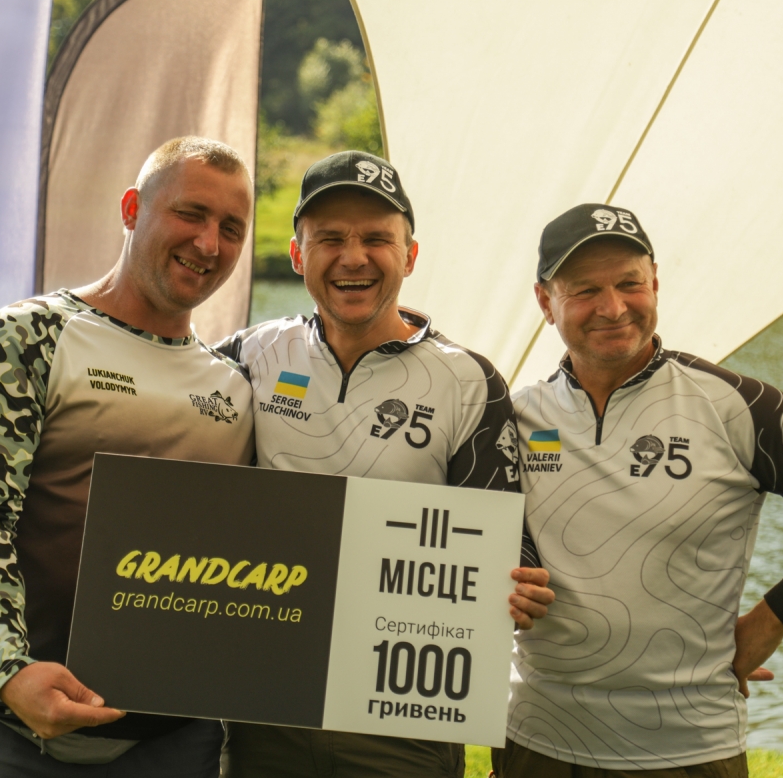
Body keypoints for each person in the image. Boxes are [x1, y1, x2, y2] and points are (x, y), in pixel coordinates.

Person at [496, 204, 783, 777]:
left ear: (655, 283)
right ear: (545, 302)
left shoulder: (735, 406)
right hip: (537, 739)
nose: (613, 307)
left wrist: (768, 624)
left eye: (629, 284)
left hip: (689, 748)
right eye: (586, 290)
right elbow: (484, 544)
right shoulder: (515, 416)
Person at [0, 136, 256, 777]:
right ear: (132, 209)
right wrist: (9, 670)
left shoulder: (236, 387)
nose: (209, 243)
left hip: (168, 740)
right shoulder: (25, 336)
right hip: (0, 725)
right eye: (190, 214)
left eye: (231, 228)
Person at [215, 150, 556, 778]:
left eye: (376, 239)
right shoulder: (248, 355)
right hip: (264, 709)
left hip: (403, 718)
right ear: (297, 255)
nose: (354, 258)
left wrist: (518, 580)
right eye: (330, 239)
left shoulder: (468, 381)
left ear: (410, 255)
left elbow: (504, 538)